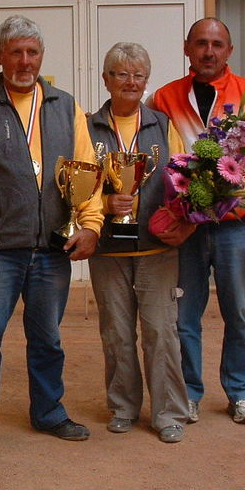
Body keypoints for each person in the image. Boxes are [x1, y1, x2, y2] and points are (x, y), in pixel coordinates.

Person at [0, 15, 102, 455]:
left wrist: (91, 224)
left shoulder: (64, 105)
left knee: (49, 339)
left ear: (41, 57)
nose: (25, 61)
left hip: (52, 248)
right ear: (0, 56)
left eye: (32, 52)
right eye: (15, 52)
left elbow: (87, 170)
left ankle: (49, 412)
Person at [151, 18, 245, 425]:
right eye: (201, 44)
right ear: (187, 48)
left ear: (229, 51)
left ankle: (242, 393)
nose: (208, 51)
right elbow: (157, 157)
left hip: (235, 223)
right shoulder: (164, 98)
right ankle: (189, 392)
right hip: (186, 224)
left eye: (217, 44)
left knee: (239, 311)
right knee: (185, 314)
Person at [87, 42, 189, 443]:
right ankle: (124, 406)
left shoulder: (164, 126)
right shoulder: (88, 127)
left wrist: (185, 224)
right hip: (108, 249)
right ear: (106, 79)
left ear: (147, 81)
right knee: (115, 331)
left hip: (157, 248)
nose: (131, 82)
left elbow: (184, 181)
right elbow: (75, 185)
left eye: (139, 75)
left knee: (161, 331)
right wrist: (105, 202)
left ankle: (168, 413)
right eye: (121, 74)